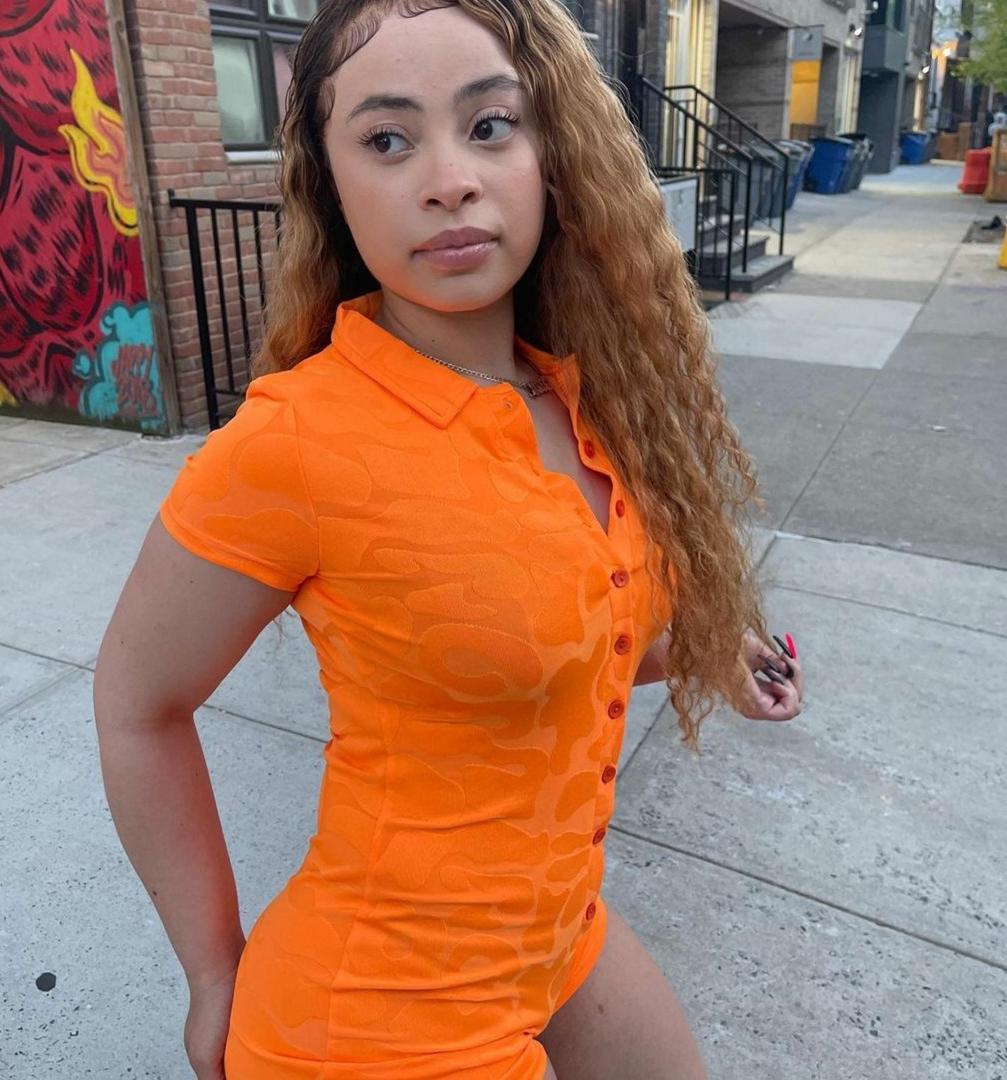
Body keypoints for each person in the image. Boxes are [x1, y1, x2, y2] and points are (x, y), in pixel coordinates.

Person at [93, 0, 805, 1077]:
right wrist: (210, 970)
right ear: (330, 184)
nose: (450, 179)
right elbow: (136, 704)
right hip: (376, 1018)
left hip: (559, 934)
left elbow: (565, 642)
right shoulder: (295, 441)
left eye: (490, 125)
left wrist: (704, 649)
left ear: (551, 152)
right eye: (387, 139)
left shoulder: (579, 396)